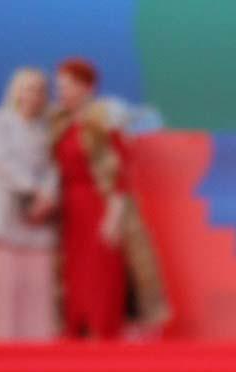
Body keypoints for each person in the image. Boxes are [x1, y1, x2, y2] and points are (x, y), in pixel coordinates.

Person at [48, 57, 167, 340]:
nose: (61, 92)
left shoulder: (105, 119)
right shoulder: (59, 122)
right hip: (69, 212)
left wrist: (113, 217)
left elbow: (120, 172)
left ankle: (104, 340)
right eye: (59, 86)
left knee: (101, 280)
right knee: (72, 282)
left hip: (99, 207)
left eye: (67, 86)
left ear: (85, 87)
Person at [0, 68, 58, 341]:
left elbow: (54, 168)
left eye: (41, 90)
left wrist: (47, 196)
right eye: (29, 89)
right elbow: (1, 161)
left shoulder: (48, 129)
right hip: (4, 213)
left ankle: (35, 348)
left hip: (38, 218)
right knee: (1, 286)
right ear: (16, 91)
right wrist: (34, 190)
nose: (35, 95)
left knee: (35, 287)